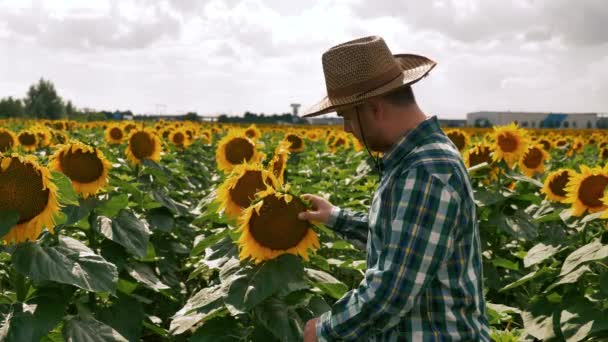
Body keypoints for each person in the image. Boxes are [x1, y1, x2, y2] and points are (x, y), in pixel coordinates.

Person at [298, 36, 490, 341]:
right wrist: (335, 216)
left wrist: (322, 331)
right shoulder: (415, 158)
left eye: (347, 116)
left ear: (374, 108)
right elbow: (400, 240)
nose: (347, 128)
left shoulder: (425, 170)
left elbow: (391, 294)